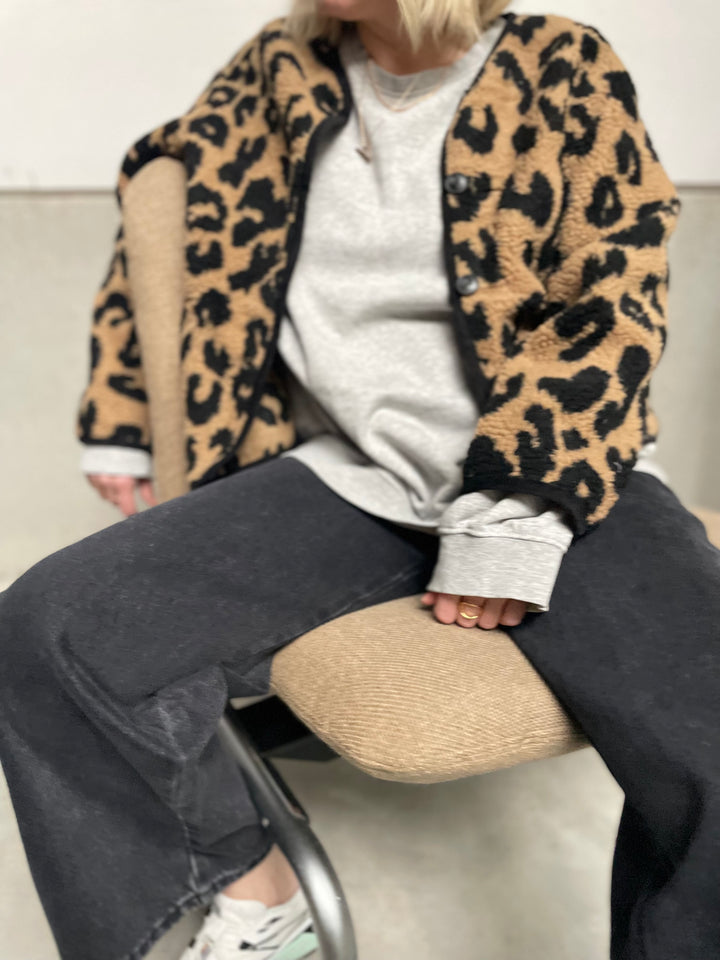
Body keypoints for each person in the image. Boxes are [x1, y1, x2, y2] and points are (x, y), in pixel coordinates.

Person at [0, 2, 718, 959]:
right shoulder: (278, 67)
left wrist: (515, 514)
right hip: (351, 479)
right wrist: (124, 416)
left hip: (561, 474)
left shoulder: (561, 63)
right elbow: (169, 194)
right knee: (50, 625)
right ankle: (258, 903)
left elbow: (612, 299)